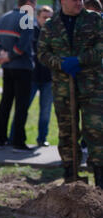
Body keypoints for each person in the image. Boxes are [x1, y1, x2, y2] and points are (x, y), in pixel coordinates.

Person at [38, 0, 102, 187]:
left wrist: (80, 60)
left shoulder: (94, 19)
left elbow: (100, 46)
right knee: (67, 133)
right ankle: (71, 179)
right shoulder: (51, 25)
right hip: (64, 89)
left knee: (97, 131)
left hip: (93, 88)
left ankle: (100, 183)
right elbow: (42, 53)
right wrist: (60, 63)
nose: (79, 2)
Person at [0, 0, 36, 153]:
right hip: (22, 67)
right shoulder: (27, 18)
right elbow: (23, 44)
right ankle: (18, 142)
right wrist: (10, 56)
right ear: (28, 3)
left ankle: (0, 139)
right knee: (21, 106)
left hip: (8, 68)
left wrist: (2, 55)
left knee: (5, 102)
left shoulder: (4, 17)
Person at [8, 5, 54, 147]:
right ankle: (13, 138)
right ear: (38, 17)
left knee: (45, 112)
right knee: (22, 109)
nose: (47, 20)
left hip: (48, 79)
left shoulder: (55, 33)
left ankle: (42, 138)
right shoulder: (31, 31)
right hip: (32, 78)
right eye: (44, 17)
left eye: (50, 17)